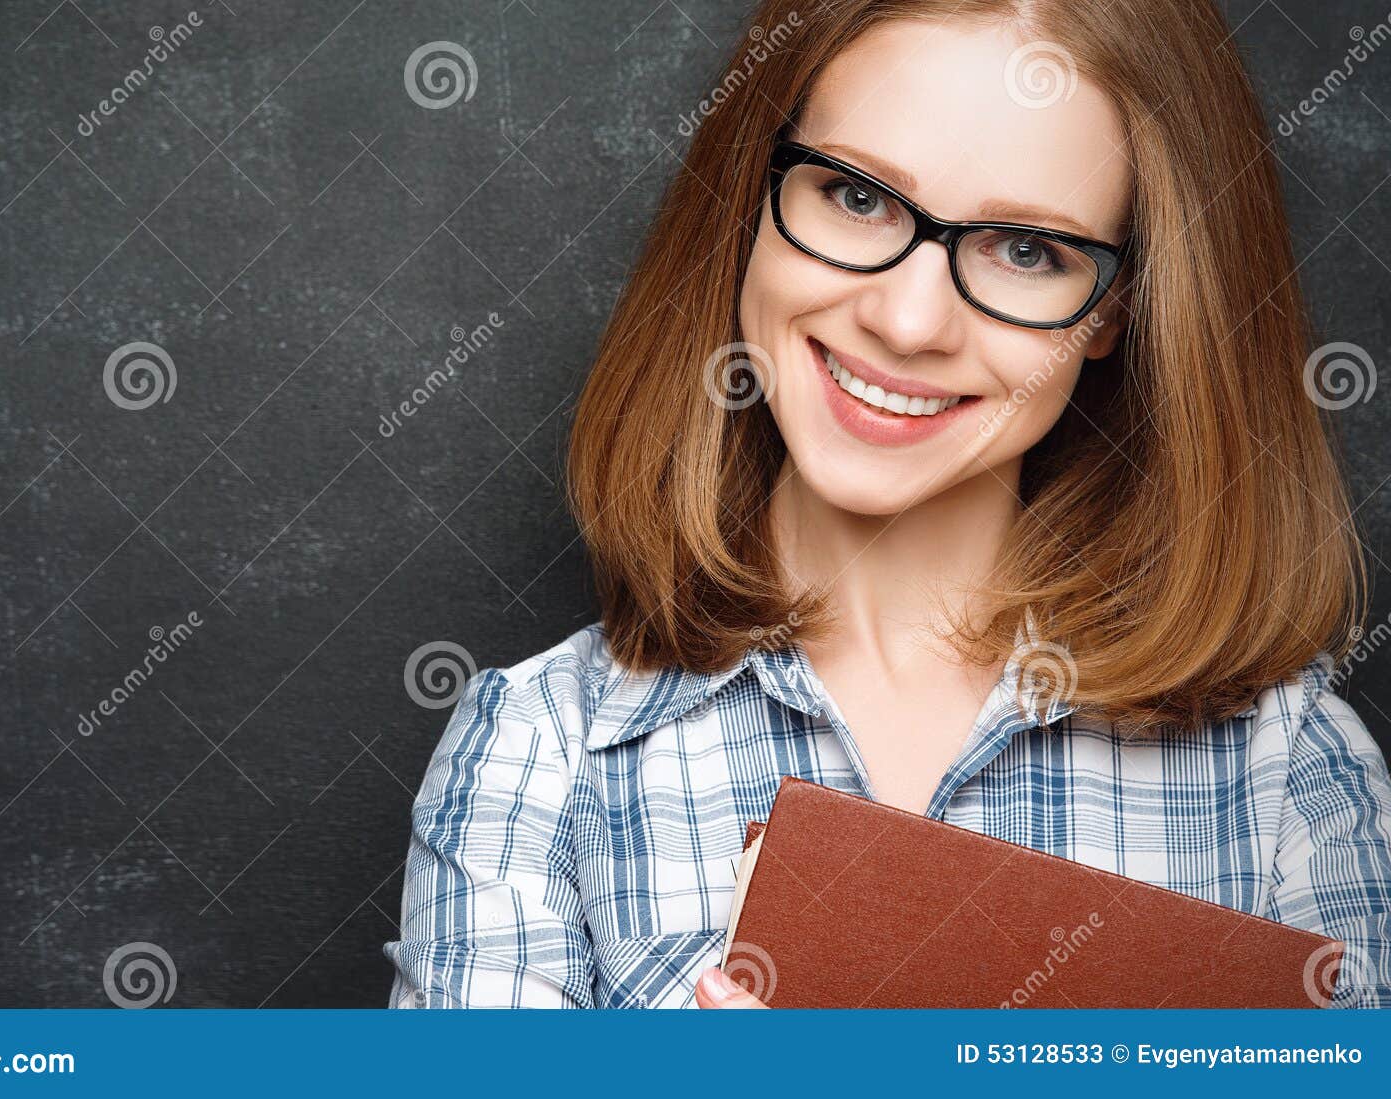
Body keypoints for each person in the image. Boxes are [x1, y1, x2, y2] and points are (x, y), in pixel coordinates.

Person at [384, 0, 1391, 1008]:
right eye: (855, 197)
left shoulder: (1288, 775)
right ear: (751, 193)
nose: (907, 321)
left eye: (1027, 250)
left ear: (1113, 312)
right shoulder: (540, 756)